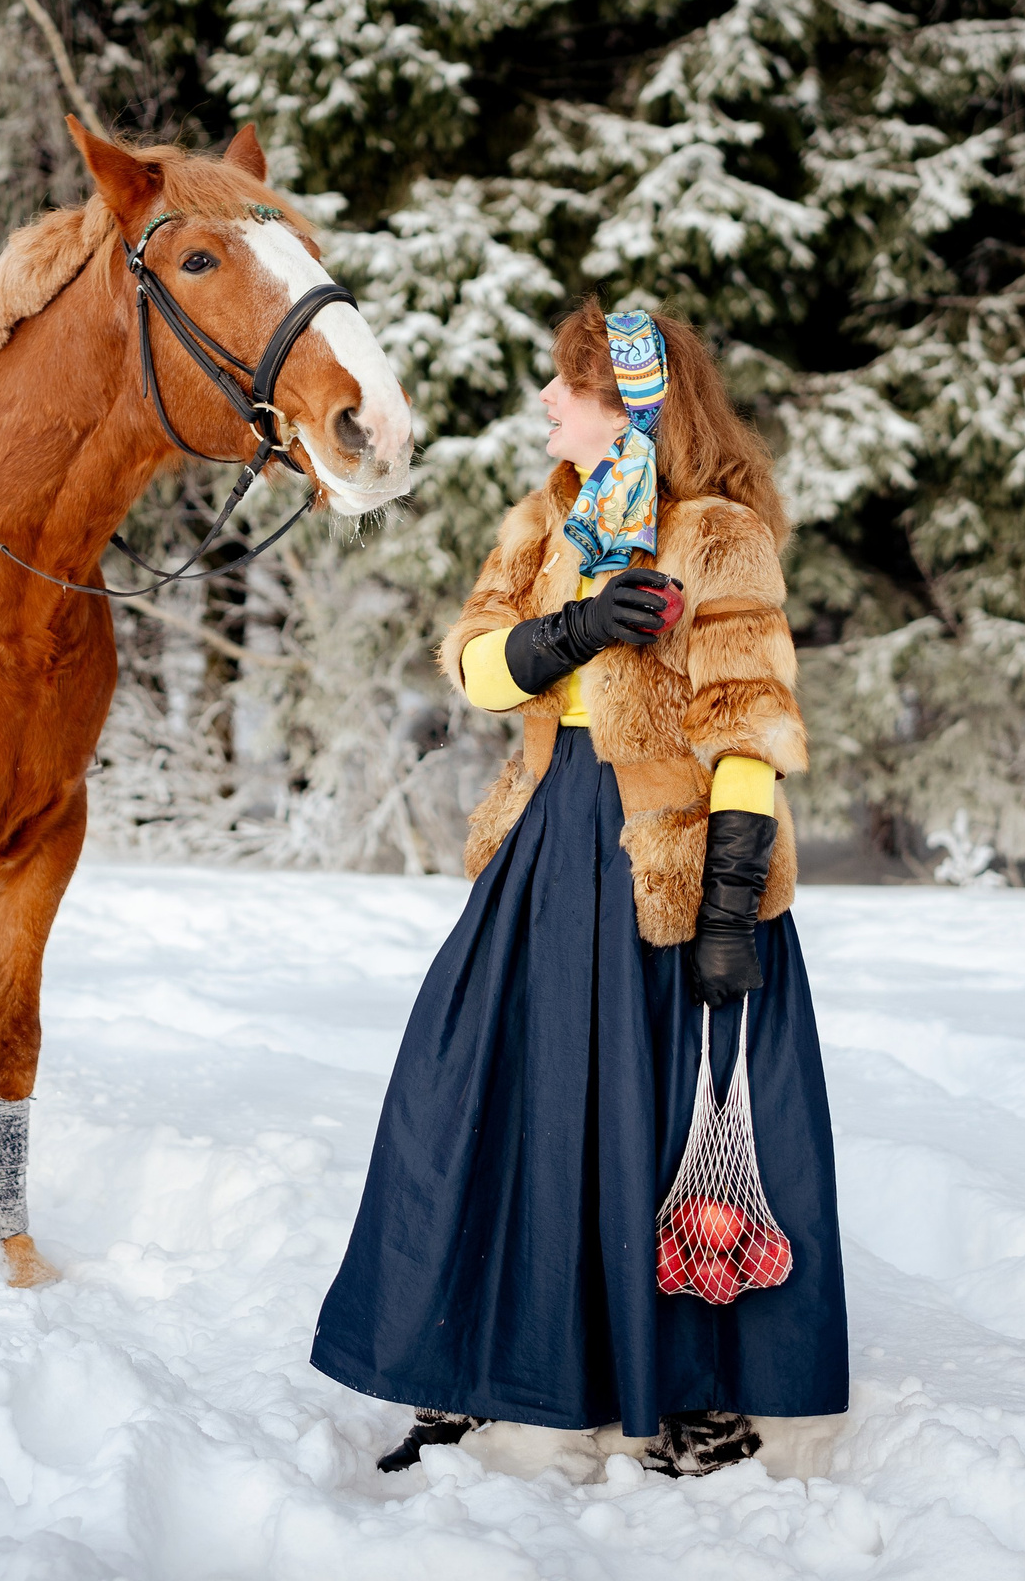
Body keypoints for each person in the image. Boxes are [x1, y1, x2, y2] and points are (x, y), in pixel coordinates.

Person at [310, 301, 848, 1476]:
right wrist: (573, 631)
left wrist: (730, 903)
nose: (546, 404)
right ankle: (464, 1363)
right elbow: (474, 661)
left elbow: (749, 727)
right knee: (474, 1097)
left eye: (570, 386)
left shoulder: (715, 535)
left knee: (660, 1120)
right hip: (546, 843)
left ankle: (697, 1389)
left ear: (635, 405)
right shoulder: (547, 517)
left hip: (674, 854)